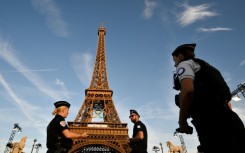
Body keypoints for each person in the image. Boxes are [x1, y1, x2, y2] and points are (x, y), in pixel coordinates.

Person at [172, 43, 245, 153]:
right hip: (230, 118)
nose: (174, 65)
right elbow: (227, 100)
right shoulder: (210, 69)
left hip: (209, 121)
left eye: (175, 60)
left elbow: (187, 91)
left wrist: (182, 123)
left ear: (181, 56)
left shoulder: (184, 64)